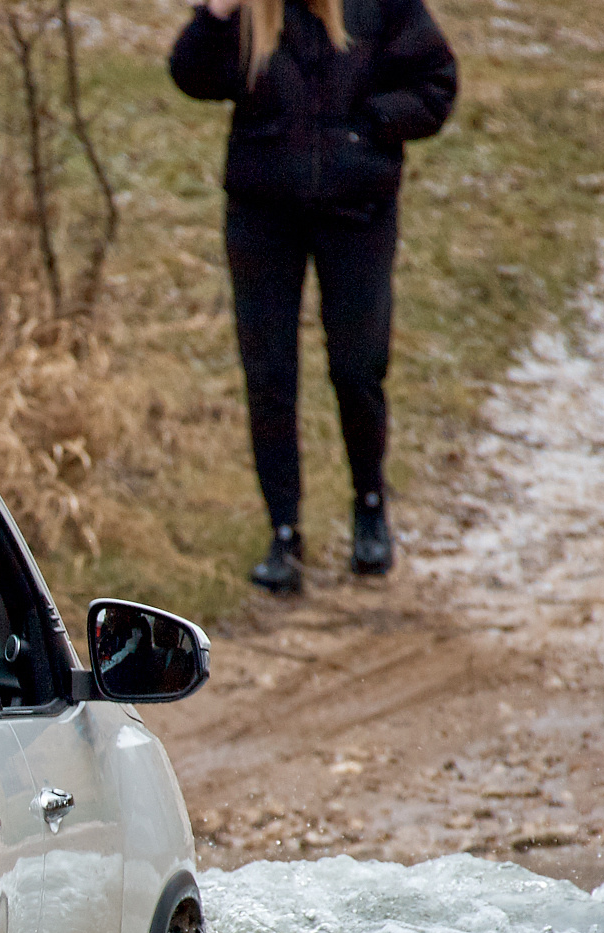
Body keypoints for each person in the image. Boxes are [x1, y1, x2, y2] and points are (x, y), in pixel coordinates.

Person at [171, 0, 457, 594]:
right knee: (269, 373)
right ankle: (284, 534)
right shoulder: (251, 12)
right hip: (262, 213)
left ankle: (370, 506)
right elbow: (191, 76)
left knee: (357, 366)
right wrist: (216, 16)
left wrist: (370, 124)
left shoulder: (379, 7)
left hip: (358, 212)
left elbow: (436, 86)